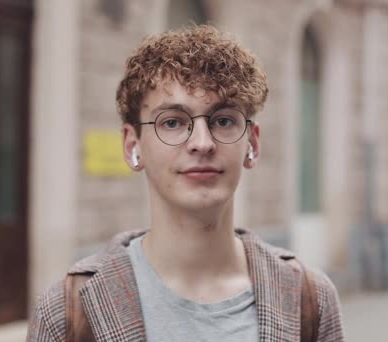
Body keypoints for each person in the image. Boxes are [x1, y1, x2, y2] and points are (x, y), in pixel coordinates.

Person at [27, 25, 344, 341]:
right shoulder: (65, 312)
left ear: (252, 143)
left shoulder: (310, 300)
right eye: (173, 122)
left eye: (223, 120)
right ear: (132, 145)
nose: (202, 143)